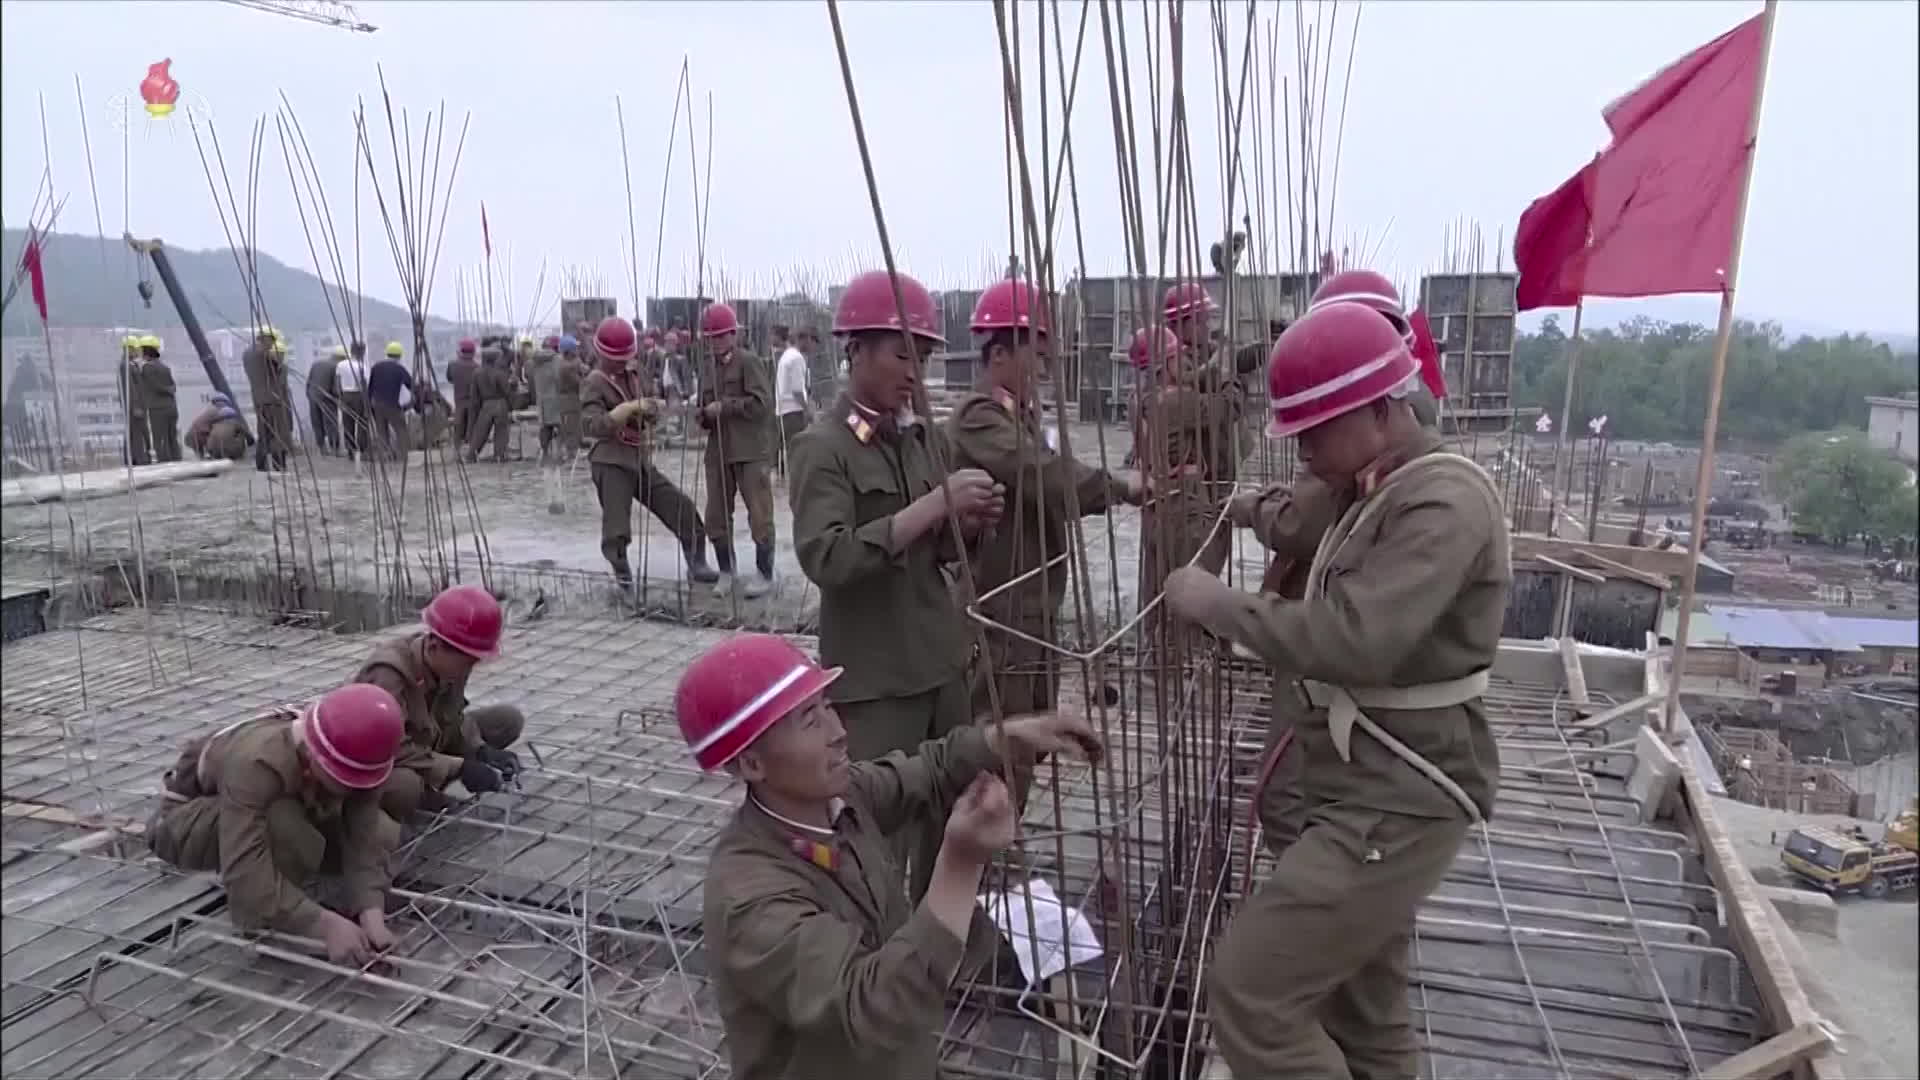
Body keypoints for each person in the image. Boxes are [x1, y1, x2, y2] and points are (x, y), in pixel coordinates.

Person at [1162, 300, 1509, 1080]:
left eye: (1316, 430)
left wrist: (1220, 606)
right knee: (1363, 1015)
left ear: (1382, 411)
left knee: (1250, 991)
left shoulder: (1441, 502)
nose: (1304, 450)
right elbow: (1291, 518)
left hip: (1399, 794)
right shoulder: (1373, 485)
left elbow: (1357, 638)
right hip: (1362, 784)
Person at [681, 633, 1101, 1080]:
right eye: (809, 720)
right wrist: (960, 864)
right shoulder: (749, 899)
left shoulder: (840, 799)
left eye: (826, 705)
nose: (838, 731)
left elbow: (927, 771)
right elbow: (876, 1007)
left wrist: (1008, 738)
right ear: (751, 765)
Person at [787, 268, 1005, 903]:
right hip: (878, 682)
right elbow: (826, 557)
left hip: (939, 663)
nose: (915, 370)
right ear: (854, 349)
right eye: (902, 352)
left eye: (926, 355)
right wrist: (933, 507)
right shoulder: (820, 448)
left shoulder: (921, 439)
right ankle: (878, 952)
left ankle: (951, 939)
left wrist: (968, 524)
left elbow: (938, 552)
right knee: (878, 831)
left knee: (953, 820)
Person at [946, 280, 1141, 725]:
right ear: (999, 355)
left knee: (1032, 729)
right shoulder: (979, 417)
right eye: (1036, 357)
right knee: (1002, 736)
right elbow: (1045, 474)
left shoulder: (1023, 418)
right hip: (1001, 607)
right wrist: (1122, 487)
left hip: (1035, 607)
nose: (1045, 369)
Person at [146, 683, 407, 965]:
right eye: (342, 779)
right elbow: (243, 865)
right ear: (312, 755)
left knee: (382, 829)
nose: (350, 789)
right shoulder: (257, 762)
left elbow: (364, 835)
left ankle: (290, 893)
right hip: (181, 823)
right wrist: (320, 924)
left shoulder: (364, 752)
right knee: (285, 823)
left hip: (281, 800)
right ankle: (263, 924)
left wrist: (371, 912)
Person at [352, 584, 526, 818]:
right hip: (380, 760)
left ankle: (433, 784)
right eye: (468, 661)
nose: (472, 666)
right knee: (405, 786)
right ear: (434, 646)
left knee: (507, 720)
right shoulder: (389, 675)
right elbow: (391, 750)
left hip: (427, 740)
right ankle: (423, 798)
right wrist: (459, 767)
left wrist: (479, 749)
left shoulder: (452, 662)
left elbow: (453, 717)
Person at [579, 316, 721, 589]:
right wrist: (622, 412)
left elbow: (652, 403)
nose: (622, 363)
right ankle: (624, 581)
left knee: (681, 507)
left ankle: (697, 564)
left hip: (639, 457)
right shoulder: (594, 382)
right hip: (611, 461)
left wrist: (651, 410)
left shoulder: (635, 374)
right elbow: (592, 426)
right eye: (616, 359)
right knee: (617, 529)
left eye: (625, 358)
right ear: (602, 354)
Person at [693, 302, 777, 598]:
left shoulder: (749, 362)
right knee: (715, 515)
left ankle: (764, 574)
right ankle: (727, 571)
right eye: (710, 338)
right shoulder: (707, 367)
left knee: (759, 513)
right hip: (718, 450)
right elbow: (703, 406)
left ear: (732, 335)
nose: (715, 343)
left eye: (719, 337)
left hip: (749, 450)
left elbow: (762, 405)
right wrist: (702, 414)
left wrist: (726, 407)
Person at [242, 326, 293, 472]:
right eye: (272, 341)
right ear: (267, 338)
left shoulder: (247, 354)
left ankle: (261, 465)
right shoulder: (265, 354)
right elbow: (279, 375)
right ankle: (279, 465)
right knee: (278, 433)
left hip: (258, 400)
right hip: (274, 400)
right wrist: (283, 367)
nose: (272, 345)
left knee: (263, 433)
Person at [774, 325, 813, 476]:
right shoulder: (796, 358)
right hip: (793, 412)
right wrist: (807, 409)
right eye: (812, 341)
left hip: (783, 410)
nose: (812, 347)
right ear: (804, 340)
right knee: (797, 452)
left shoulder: (787, 356)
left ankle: (786, 480)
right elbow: (797, 390)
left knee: (788, 449)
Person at [137, 335, 182, 462]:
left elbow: (153, 386)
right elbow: (173, 386)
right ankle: (177, 460)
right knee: (172, 436)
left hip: (158, 408)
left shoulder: (147, 368)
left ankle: (165, 462)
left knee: (160, 438)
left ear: (146, 352)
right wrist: (169, 390)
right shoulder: (165, 367)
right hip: (171, 407)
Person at [464, 346, 513, 463]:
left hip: (486, 404)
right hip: (500, 402)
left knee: (480, 431)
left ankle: (471, 455)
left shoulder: (477, 373)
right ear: (495, 358)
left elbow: (474, 395)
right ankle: (500, 455)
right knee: (501, 431)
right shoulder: (499, 372)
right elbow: (506, 391)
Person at [367, 341, 414, 461]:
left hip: (376, 405)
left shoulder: (376, 367)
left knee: (382, 432)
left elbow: (370, 388)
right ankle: (402, 457)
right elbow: (411, 385)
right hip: (392, 405)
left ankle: (386, 457)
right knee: (401, 429)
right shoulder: (399, 369)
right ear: (399, 355)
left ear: (387, 353)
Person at [186, 392, 254, 461]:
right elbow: (247, 436)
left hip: (193, 438)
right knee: (235, 433)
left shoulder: (210, 411)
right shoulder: (217, 412)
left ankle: (209, 457)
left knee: (202, 457)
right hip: (199, 437)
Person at [118, 334, 152, 466]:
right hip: (132, 407)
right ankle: (137, 459)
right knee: (135, 433)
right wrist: (135, 407)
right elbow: (129, 388)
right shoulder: (125, 366)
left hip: (137, 406)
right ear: (128, 349)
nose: (137, 352)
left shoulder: (132, 365)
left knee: (135, 432)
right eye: (135, 349)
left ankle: (136, 457)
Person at [551, 335, 584, 460]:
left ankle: (562, 452)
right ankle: (572, 452)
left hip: (564, 399)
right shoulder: (567, 367)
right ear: (569, 351)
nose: (577, 350)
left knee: (566, 426)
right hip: (569, 399)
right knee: (571, 426)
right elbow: (578, 382)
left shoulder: (560, 363)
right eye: (575, 348)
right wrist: (582, 371)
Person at [307, 345, 343, 456]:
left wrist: (309, 395)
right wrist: (339, 398)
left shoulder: (316, 364)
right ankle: (335, 449)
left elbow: (309, 382)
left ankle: (322, 448)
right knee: (331, 423)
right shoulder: (336, 367)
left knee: (317, 422)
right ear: (341, 358)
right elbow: (335, 388)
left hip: (313, 396)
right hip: (327, 398)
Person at [337, 342, 369, 463]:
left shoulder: (341, 365)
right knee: (361, 423)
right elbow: (364, 384)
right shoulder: (362, 366)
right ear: (362, 352)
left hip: (345, 395)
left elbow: (338, 382)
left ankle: (350, 449)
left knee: (347, 423)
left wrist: (340, 398)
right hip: (359, 395)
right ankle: (361, 450)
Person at [447, 338, 479, 445]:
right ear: (473, 352)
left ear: (460, 351)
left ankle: (456, 450)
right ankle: (471, 450)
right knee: (472, 427)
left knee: (458, 427)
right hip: (473, 401)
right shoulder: (477, 367)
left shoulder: (453, 365)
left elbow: (450, 378)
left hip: (459, 401)